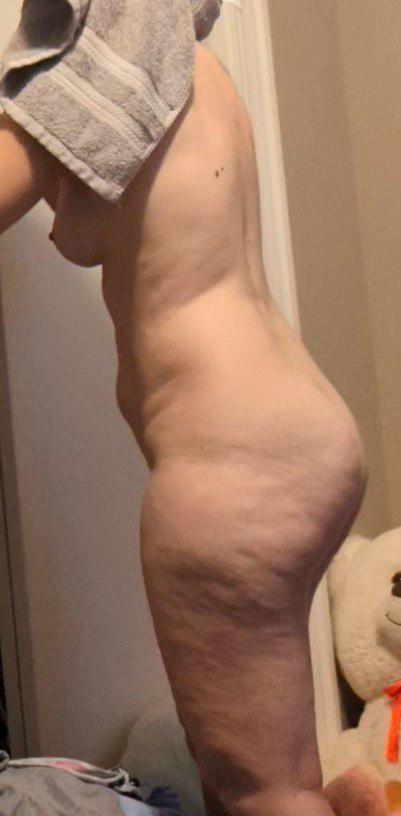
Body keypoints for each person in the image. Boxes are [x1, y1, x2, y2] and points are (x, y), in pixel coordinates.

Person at [0, 39, 366, 816]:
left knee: (258, 788)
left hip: (233, 468)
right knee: (266, 764)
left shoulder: (100, 56)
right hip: (295, 433)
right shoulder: (186, 65)